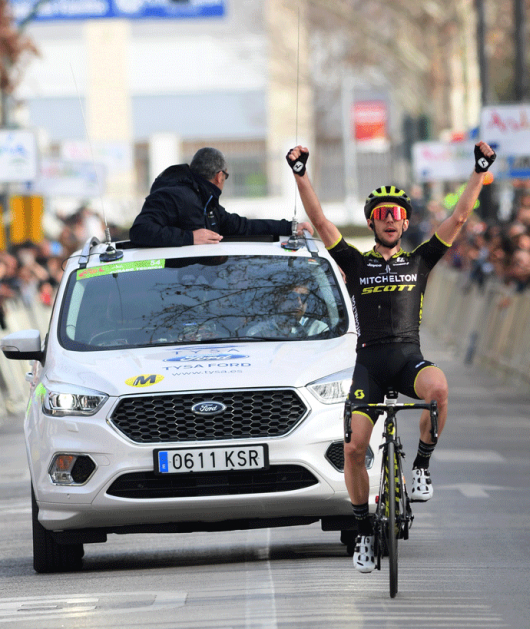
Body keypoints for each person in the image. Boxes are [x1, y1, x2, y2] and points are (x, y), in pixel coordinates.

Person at [286, 141, 496, 573]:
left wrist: (478, 171)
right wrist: (301, 172)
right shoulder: (355, 263)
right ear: (371, 222)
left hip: (407, 360)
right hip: (370, 368)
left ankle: (420, 466)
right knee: (353, 450)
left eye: (396, 214)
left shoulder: (420, 261)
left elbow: (458, 217)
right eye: (381, 214)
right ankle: (363, 529)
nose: (389, 219)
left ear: (405, 222)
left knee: (438, 389)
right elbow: (321, 220)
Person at [130, 147, 312, 247]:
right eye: (226, 176)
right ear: (219, 176)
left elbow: (242, 226)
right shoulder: (173, 195)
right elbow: (140, 231)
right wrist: (189, 238)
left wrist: (290, 227)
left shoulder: (205, 201)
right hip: (172, 292)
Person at [244, 282, 329, 339]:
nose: (299, 303)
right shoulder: (257, 334)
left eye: (304, 297)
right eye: (292, 296)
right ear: (278, 298)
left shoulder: (320, 330)